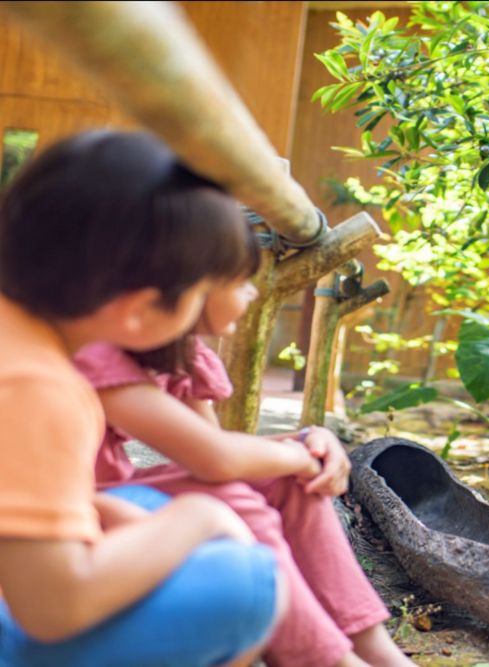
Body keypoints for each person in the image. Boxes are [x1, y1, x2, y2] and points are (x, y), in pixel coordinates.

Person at [0, 130, 287, 667]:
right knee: (246, 583)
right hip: (30, 609)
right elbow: (51, 608)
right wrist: (199, 516)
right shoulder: (39, 389)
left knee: (146, 508)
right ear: (138, 309)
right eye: (202, 291)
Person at [73, 232, 414, 666]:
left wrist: (309, 441)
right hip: (76, 511)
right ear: (190, 287)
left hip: (118, 496)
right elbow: (215, 460)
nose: (253, 292)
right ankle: (322, 658)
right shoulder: (99, 353)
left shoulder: (178, 352)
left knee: (288, 477)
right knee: (232, 494)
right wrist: (299, 453)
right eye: (241, 281)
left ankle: (373, 648)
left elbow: (221, 450)